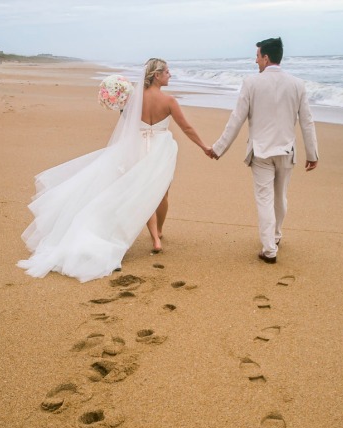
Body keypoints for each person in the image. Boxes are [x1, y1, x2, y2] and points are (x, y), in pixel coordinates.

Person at [17, 58, 211, 282]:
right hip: (160, 150)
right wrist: (204, 147)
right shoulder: (169, 101)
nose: (170, 74)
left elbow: (127, 123)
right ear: (156, 75)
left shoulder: (132, 101)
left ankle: (155, 237)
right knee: (160, 192)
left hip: (135, 148)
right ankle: (157, 235)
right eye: (167, 71)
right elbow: (186, 127)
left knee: (140, 191)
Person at [210, 37, 318, 263]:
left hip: (261, 152)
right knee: (280, 197)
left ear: (266, 58)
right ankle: (275, 236)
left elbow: (237, 118)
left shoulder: (251, 82)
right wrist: (312, 154)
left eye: (257, 56)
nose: (255, 60)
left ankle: (269, 248)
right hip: (286, 151)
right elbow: (307, 122)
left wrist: (219, 148)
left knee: (265, 199)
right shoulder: (297, 84)